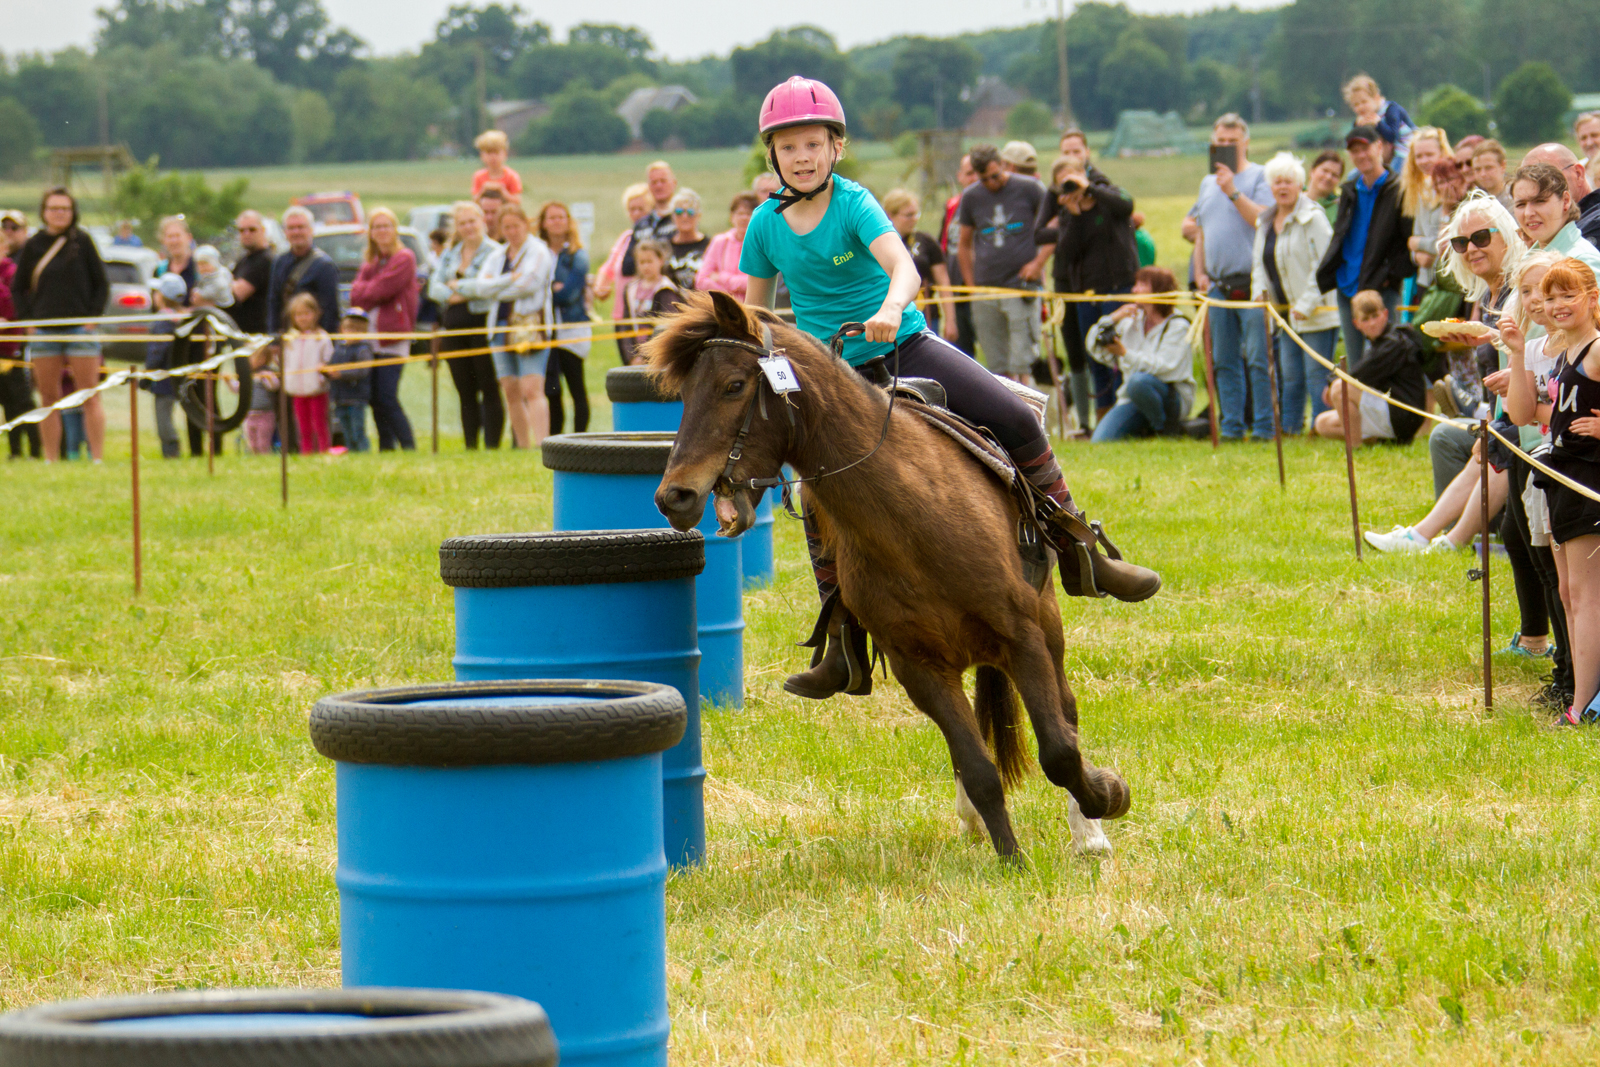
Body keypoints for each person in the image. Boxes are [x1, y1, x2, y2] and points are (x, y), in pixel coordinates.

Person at [740, 76, 1159, 699]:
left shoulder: (855, 204)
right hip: (829, 378)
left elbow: (903, 266)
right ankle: (841, 641)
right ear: (773, 155)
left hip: (904, 346)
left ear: (837, 147)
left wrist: (889, 307)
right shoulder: (764, 226)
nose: (802, 157)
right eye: (789, 146)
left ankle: (1080, 551)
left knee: (1016, 418)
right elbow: (759, 315)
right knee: (814, 495)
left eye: (814, 143)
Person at [1524, 258, 1600, 723]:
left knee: (1587, 596)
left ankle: (1584, 704)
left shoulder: (1596, 348)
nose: (1556, 305)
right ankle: (1580, 692)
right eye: (1550, 297)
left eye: (1567, 295)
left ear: (1592, 298)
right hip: (1560, 476)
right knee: (1570, 594)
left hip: (1589, 479)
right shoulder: (1566, 353)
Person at [1498, 251, 1569, 705]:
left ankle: (1577, 677)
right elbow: (1519, 413)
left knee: (1570, 582)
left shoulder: (1581, 344)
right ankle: (1565, 670)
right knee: (1547, 570)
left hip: (1571, 468)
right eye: (1526, 291)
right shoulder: (1535, 347)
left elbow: (1565, 413)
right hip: (1535, 458)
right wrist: (1517, 361)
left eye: (1545, 289)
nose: (1536, 300)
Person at [1187, 112, 1273, 440]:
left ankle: (1265, 427)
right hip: (1218, 285)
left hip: (1252, 282)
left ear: (1245, 143)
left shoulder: (1260, 176)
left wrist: (1234, 191)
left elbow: (1263, 221)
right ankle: (1232, 426)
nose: (1224, 147)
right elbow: (1201, 232)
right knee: (1223, 359)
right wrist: (1200, 273)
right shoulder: (1207, 183)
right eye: (1219, 141)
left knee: (1257, 358)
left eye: (1231, 142)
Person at [1038, 155, 1140, 427]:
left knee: (1116, 352)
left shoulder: (1107, 192)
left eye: (1073, 179)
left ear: (1084, 173)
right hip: (1086, 292)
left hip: (1117, 287)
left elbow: (1126, 205)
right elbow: (1068, 253)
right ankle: (1103, 417)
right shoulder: (1068, 213)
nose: (1070, 187)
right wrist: (1075, 216)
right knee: (1093, 355)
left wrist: (1090, 188)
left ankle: (1124, 413)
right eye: (1064, 185)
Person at [9, 187, 108, 462]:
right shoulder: (33, 245)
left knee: (90, 394)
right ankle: (51, 459)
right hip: (44, 328)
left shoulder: (84, 241)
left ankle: (97, 458)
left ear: (73, 211)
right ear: (44, 212)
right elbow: (17, 288)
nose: (59, 214)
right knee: (48, 397)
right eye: (54, 208)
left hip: (80, 329)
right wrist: (27, 321)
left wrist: (92, 318)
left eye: (64, 208)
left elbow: (101, 284)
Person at [1251, 151, 1340, 432]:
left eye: (1288, 181)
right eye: (1277, 182)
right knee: (1290, 377)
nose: (1282, 187)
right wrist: (1259, 296)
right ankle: (1290, 430)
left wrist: (1307, 303)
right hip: (1285, 316)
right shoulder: (1263, 222)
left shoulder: (1313, 217)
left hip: (1316, 313)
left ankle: (1321, 428)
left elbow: (1325, 265)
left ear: (1300, 184)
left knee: (1316, 375)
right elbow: (1258, 266)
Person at [1317, 124, 1414, 364]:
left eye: (1366, 148)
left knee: (1386, 359)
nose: (1361, 155)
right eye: (1354, 151)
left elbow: (1408, 240)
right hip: (1347, 287)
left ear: (1380, 146)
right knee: (1355, 362)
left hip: (1382, 290)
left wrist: (1390, 277)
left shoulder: (1399, 189)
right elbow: (1341, 236)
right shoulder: (1349, 191)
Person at [958, 143, 1051, 383]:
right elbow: (964, 244)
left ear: (1003, 164)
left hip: (1021, 286)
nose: (991, 183)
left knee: (1022, 362)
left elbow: (1055, 226)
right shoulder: (971, 197)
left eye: (995, 175)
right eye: (985, 179)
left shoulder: (1030, 189)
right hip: (986, 289)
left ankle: (1029, 415)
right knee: (997, 366)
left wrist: (1038, 264)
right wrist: (972, 288)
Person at [471, 201, 554, 449]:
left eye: (515, 226)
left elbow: (528, 284)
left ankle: (542, 444)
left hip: (529, 327)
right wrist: (508, 280)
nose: (511, 231)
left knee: (532, 388)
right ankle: (522, 445)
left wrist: (495, 286)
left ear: (525, 225)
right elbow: (480, 287)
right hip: (498, 328)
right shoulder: (497, 255)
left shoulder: (539, 251)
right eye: (506, 227)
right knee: (510, 389)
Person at [427, 200, 503, 449]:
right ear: (456, 227)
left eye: (472, 221)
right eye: (463, 223)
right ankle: (471, 444)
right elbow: (433, 288)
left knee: (488, 386)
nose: (468, 227)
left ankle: (492, 444)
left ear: (482, 221)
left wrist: (460, 287)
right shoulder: (450, 253)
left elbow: (487, 287)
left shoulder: (495, 252)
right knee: (464, 389)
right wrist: (457, 293)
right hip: (453, 328)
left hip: (482, 326)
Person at [1086, 266, 1193, 441]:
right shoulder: (1130, 321)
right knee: (1100, 440)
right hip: (1133, 398)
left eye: (1141, 285)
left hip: (1171, 397)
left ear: (1158, 291)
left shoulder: (1178, 326)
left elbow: (1164, 367)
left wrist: (1124, 353)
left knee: (1138, 381)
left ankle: (1164, 429)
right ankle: (1146, 428)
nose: (1134, 290)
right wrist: (1112, 318)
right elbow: (1092, 346)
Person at [1312, 290, 1428, 445]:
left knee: (1340, 388)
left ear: (1385, 314)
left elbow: (1360, 374)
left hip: (1402, 416)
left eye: (1375, 316)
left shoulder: (1394, 343)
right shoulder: (1379, 344)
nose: (1372, 323)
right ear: (1356, 324)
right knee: (1322, 423)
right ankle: (1381, 441)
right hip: (1386, 412)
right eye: (1365, 319)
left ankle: (1355, 448)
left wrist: (1332, 381)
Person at [349, 206, 419, 451]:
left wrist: (368, 291)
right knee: (375, 397)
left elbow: (381, 290)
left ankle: (409, 445)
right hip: (370, 338)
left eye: (386, 225)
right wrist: (369, 291)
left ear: (395, 229)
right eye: (376, 226)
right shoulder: (371, 261)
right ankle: (386, 447)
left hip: (393, 337)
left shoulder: (404, 257)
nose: (381, 231)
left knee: (387, 396)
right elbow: (355, 296)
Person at [538, 201, 591, 435]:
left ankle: (579, 437)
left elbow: (569, 294)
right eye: (552, 217)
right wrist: (552, 289)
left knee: (576, 386)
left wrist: (547, 291)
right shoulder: (538, 253)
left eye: (561, 217)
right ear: (543, 223)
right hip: (545, 328)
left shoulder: (578, 255)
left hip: (572, 328)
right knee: (551, 389)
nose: (557, 222)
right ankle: (555, 437)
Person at [881, 188, 956, 342]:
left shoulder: (926, 241)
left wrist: (950, 320)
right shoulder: (879, 244)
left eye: (916, 214)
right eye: (909, 215)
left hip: (926, 315)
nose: (914, 219)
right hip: (887, 316)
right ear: (890, 215)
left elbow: (943, 282)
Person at [0, 222, 40, 460]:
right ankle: (15, 451)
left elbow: (19, 304)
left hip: (11, 346)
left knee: (21, 401)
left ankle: (36, 449)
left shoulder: (11, 272)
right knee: (6, 401)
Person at [143, 272, 193, 458]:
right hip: (181, 374)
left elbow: (157, 349)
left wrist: (148, 375)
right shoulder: (184, 317)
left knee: (162, 416)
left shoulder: (163, 321)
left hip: (163, 377)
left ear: (162, 296)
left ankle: (171, 448)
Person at [268, 206, 340, 335]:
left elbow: (330, 310)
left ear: (311, 230)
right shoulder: (279, 262)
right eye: (291, 228)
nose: (296, 232)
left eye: (301, 227)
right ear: (285, 232)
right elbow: (274, 302)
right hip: (287, 338)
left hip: (313, 339)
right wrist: (274, 337)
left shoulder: (324, 265)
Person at [1517, 149, 1600, 257]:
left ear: (1578, 174)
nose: (1532, 188)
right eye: (1521, 204)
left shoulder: (1593, 226)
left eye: (1544, 178)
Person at [1401, 127, 1453, 290]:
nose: (1424, 161)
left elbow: (1448, 244)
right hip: (1426, 281)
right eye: (1419, 156)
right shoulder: (1421, 191)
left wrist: (1418, 245)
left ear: (1442, 153)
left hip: (1449, 281)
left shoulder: (1454, 191)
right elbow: (1414, 244)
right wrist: (1416, 256)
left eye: (1429, 155)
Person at [939, 153, 979, 356]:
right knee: (964, 351)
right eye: (969, 173)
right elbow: (943, 245)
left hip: (983, 287)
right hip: (957, 287)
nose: (974, 179)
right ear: (960, 176)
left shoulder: (986, 203)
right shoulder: (951, 205)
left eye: (977, 174)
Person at [592, 182, 652, 319]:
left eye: (641, 209)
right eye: (632, 209)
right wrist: (600, 286)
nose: (636, 214)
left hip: (645, 313)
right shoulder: (626, 237)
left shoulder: (655, 238)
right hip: (622, 313)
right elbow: (609, 267)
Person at [282, 292, 332, 453]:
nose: (302, 318)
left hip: (317, 388)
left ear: (315, 314)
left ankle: (324, 450)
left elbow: (328, 359)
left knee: (319, 423)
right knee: (303, 426)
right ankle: (306, 452)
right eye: (298, 315)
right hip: (297, 389)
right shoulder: (290, 339)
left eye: (306, 313)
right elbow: (285, 361)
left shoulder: (322, 338)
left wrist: (322, 374)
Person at [1342, 73, 1414, 171]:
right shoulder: (1363, 118)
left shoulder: (1391, 110)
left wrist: (1379, 123)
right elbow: (1351, 142)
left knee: (1393, 173)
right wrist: (1357, 127)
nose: (1360, 107)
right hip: (1384, 153)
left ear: (1376, 98)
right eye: (1356, 105)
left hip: (1405, 148)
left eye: (1364, 102)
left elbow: (1392, 137)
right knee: (1354, 175)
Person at [327, 306, 374, 452]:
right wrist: (325, 369)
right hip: (340, 397)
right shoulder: (339, 348)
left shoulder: (363, 349)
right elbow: (332, 365)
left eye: (357, 330)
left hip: (356, 397)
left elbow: (362, 370)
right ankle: (352, 453)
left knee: (357, 430)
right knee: (346, 430)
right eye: (348, 329)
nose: (351, 333)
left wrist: (341, 374)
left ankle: (363, 453)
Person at [695, 192, 757, 301]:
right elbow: (701, 281)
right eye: (740, 213)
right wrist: (729, 298)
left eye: (748, 213)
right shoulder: (720, 241)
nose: (744, 218)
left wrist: (721, 277)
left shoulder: (760, 244)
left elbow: (756, 284)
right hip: (723, 307)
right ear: (731, 217)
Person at [229, 210, 274, 334]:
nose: (246, 234)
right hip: (241, 333)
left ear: (263, 230)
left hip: (258, 335)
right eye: (242, 230)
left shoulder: (265, 259)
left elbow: (236, 295)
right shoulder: (243, 261)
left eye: (252, 229)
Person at [664, 189, 709, 291]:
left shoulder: (710, 245)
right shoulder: (664, 247)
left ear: (699, 216)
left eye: (690, 212)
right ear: (672, 216)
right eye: (679, 212)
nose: (684, 216)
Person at [154, 215, 196, 303]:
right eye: (170, 236)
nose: (174, 241)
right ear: (163, 241)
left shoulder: (200, 268)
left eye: (178, 235)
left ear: (189, 238)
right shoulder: (160, 270)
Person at [471, 129, 523, 199]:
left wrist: (502, 191)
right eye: (489, 153)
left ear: (505, 154)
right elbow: (475, 201)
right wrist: (483, 190)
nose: (493, 157)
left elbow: (517, 201)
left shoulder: (511, 176)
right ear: (482, 155)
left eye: (496, 153)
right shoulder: (478, 176)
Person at [1470, 140, 1512, 210]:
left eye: (1488, 168)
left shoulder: (1514, 200)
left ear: (1503, 166)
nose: (1483, 174)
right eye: (1477, 169)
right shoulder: (1473, 200)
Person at [191, 244, 234, 309]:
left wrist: (199, 293)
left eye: (205, 264)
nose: (202, 267)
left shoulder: (219, 276)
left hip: (222, 306)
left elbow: (218, 287)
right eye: (199, 265)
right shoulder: (206, 276)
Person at [1308, 150, 1345, 223]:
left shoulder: (1339, 210)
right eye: (1325, 171)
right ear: (1312, 171)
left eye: (1334, 175)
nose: (1328, 177)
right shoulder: (1294, 200)